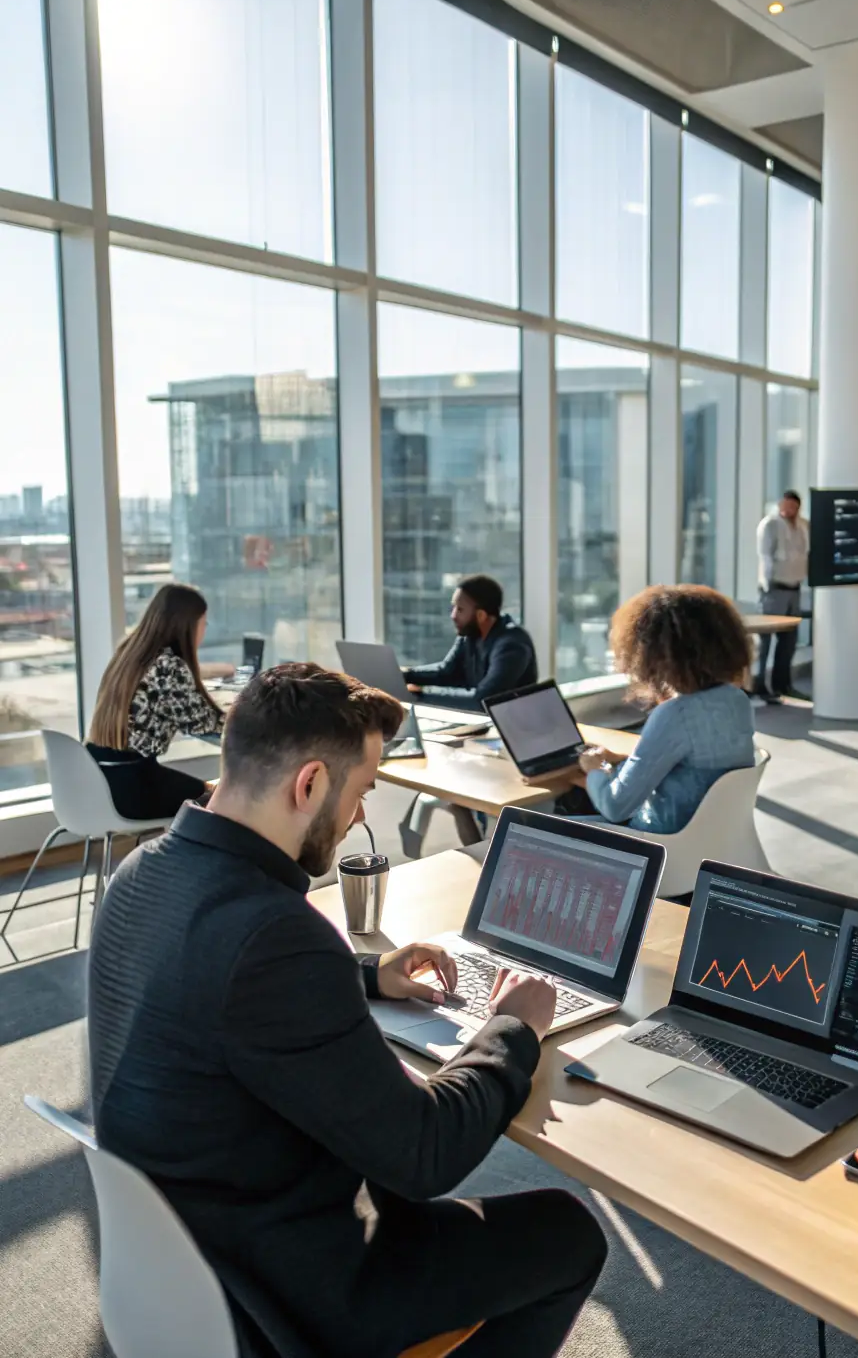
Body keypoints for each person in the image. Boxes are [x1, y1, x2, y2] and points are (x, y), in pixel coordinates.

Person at [87, 664, 607, 1358]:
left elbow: (206, 985)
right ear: (309, 784)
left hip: (188, 1258)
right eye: (361, 790)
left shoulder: (143, 871)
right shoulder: (275, 936)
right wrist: (512, 1027)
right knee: (568, 1233)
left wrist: (363, 974)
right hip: (289, 1294)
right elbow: (423, 1153)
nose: (360, 813)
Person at [564, 585, 755, 833]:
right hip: (713, 838)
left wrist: (595, 769)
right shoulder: (736, 700)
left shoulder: (676, 714)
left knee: (536, 826)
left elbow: (615, 807)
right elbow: (692, 764)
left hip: (662, 844)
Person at [87, 583, 229, 819]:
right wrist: (246, 715)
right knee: (220, 798)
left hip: (103, 779)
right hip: (134, 788)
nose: (204, 629)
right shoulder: (169, 667)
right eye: (203, 622)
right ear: (188, 625)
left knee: (211, 790)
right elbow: (204, 723)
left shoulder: (128, 654)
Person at [403, 574, 537, 711]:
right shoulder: (470, 634)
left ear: (481, 615)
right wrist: (404, 675)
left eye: (459, 610)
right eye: (453, 608)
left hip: (514, 725)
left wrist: (418, 696)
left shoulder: (512, 644)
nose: (453, 616)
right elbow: (446, 672)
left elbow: (483, 699)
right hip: (482, 722)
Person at [755, 489, 810, 703]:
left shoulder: (804, 526)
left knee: (789, 640)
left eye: (792, 506)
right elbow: (766, 556)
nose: (788, 510)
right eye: (784, 505)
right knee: (765, 640)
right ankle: (760, 685)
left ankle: (783, 684)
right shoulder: (770, 524)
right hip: (774, 589)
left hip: (794, 589)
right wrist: (767, 586)